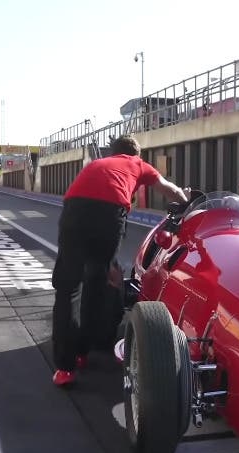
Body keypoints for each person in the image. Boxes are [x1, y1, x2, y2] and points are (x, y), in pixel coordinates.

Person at [51, 134, 188, 386]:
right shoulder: (137, 164)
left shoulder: (95, 165)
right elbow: (170, 190)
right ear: (136, 154)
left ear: (112, 152)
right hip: (108, 214)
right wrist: (187, 202)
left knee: (67, 288)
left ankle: (64, 368)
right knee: (96, 280)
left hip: (74, 210)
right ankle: (83, 351)